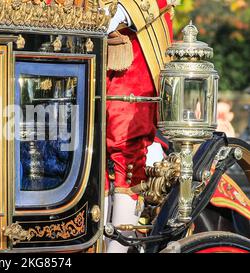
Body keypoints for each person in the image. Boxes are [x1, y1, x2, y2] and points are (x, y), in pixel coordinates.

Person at [102, 0, 175, 253]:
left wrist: (119, 10)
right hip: (84, 44)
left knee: (126, 146)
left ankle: (118, 248)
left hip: (134, 46)